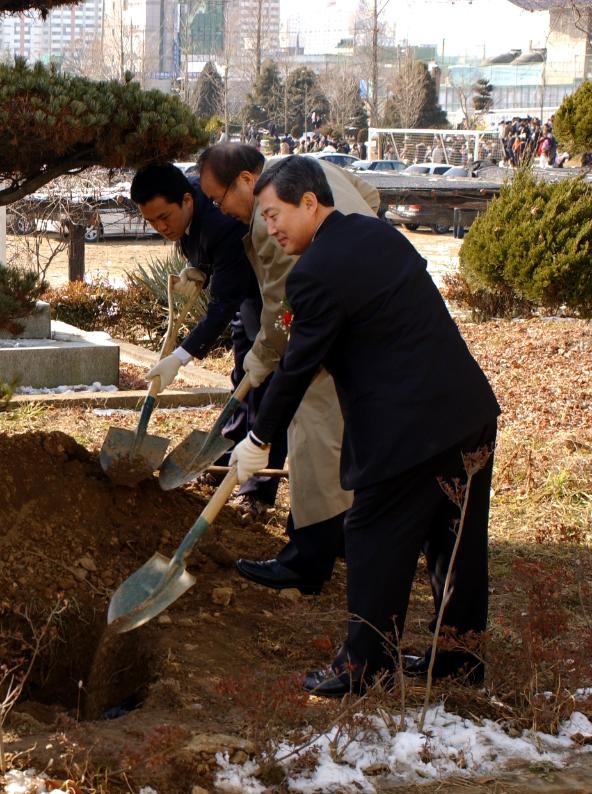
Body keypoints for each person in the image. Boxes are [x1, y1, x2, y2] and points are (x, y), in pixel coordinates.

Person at [229, 155, 498, 697]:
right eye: (263, 217)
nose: (270, 228)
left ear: (311, 202)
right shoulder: (377, 235)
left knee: (372, 534)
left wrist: (257, 439)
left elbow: (299, 365)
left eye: (276, 214)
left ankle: (365, 664)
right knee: (456, 539)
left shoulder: (314, 274)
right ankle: (459, 658)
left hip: (406, 428)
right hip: (467, 411)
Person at [196, 143, 380, 596]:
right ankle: (343, 539)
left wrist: (257, 365)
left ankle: (306, 560)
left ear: (246, 180)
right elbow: (370, 195)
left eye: (220, 200)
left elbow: (282, 310)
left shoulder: (267, 215)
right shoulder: (312, 170)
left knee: (311, 430)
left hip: (333, 331)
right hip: (366, 308)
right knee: (346, 436)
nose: (222, 211)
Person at [127, 163, 274, 511]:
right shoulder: (185, 203)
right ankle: (225, 454)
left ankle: (256, 487)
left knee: (263, 387)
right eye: (151, 222)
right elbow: (206, 257)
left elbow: (222, 307)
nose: (161, 227)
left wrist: (180, 358)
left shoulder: (221, 225)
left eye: (165, 217)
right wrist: (200, 269)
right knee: (241, 375)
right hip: (237, 291)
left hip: (265, 296)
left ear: (188, 200)